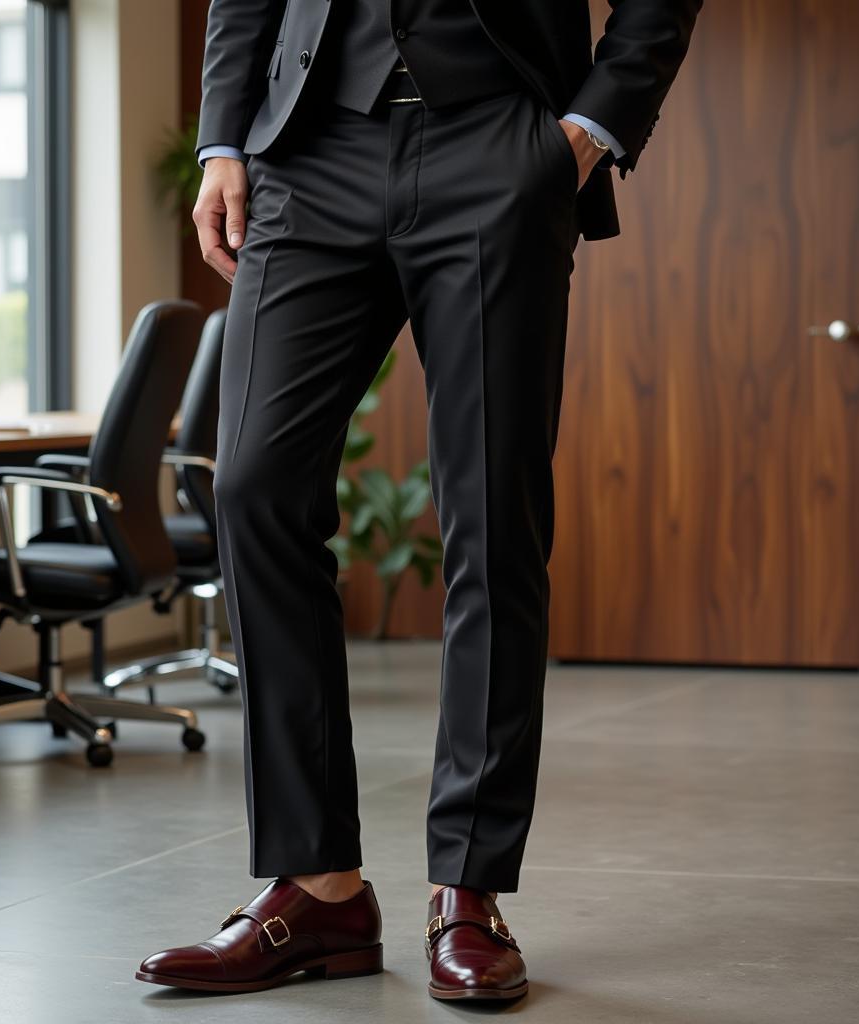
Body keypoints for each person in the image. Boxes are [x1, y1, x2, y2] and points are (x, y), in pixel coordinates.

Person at [137, 0, 702, 1002]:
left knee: (492, 515)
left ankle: (469, 890)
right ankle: (317, 888)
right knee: (254, 482)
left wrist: (586, 130)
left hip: (499, 141)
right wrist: (224, 135)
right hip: (308, 149)